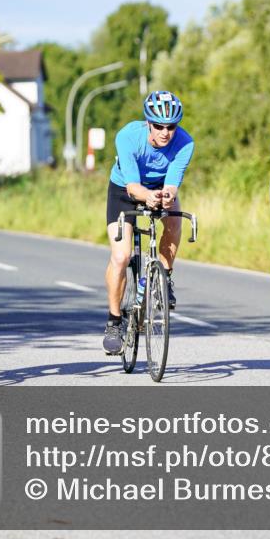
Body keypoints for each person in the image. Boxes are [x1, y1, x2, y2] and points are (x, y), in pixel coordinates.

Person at [102, 90, 195, 355]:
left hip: (159, 188)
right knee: (121, 256)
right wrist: (147, 196)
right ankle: (114, 321)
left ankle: (164, 278)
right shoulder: (127, 137)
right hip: (124, 189)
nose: (166, 132)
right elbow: (132, 186)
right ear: (147, 123)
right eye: (159, 126)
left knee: (175, 221)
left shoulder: (185, 143)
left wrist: (166, 196)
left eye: (171, 127)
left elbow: (173, 184)